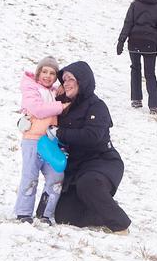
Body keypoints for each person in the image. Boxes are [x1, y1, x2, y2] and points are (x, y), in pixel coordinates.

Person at [50, 61, 131, 234]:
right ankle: (103, 213)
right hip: (76, 167)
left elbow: (92, 137)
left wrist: (60, 132)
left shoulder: (97, 106)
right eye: (64, 80)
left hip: (103, 162)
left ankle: (120, 224)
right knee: (64, 216)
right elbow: (42, 110)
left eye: (71, 78)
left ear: (83, 80)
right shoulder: (63, 105)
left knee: (88, 184)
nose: (66, 83)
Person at [15, 57, 66, 224]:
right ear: (38, 73)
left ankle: (45, 212)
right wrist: (61, 106)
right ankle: (23, 212)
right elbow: (38, 109)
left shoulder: (56, 92)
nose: (47, 76)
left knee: (56, 176)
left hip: (51, 142)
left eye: (52, 73)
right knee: (30, 177)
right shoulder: (31, 88)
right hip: (33, 140)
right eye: (44, 71)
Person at [117, 0, 157, 115]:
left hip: (134, 41)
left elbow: (127, 23)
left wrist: (121, 41)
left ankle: (136, 99)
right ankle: (154, 105)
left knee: (135, 69)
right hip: (150, 43)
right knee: (150, 74)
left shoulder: (135, 5)